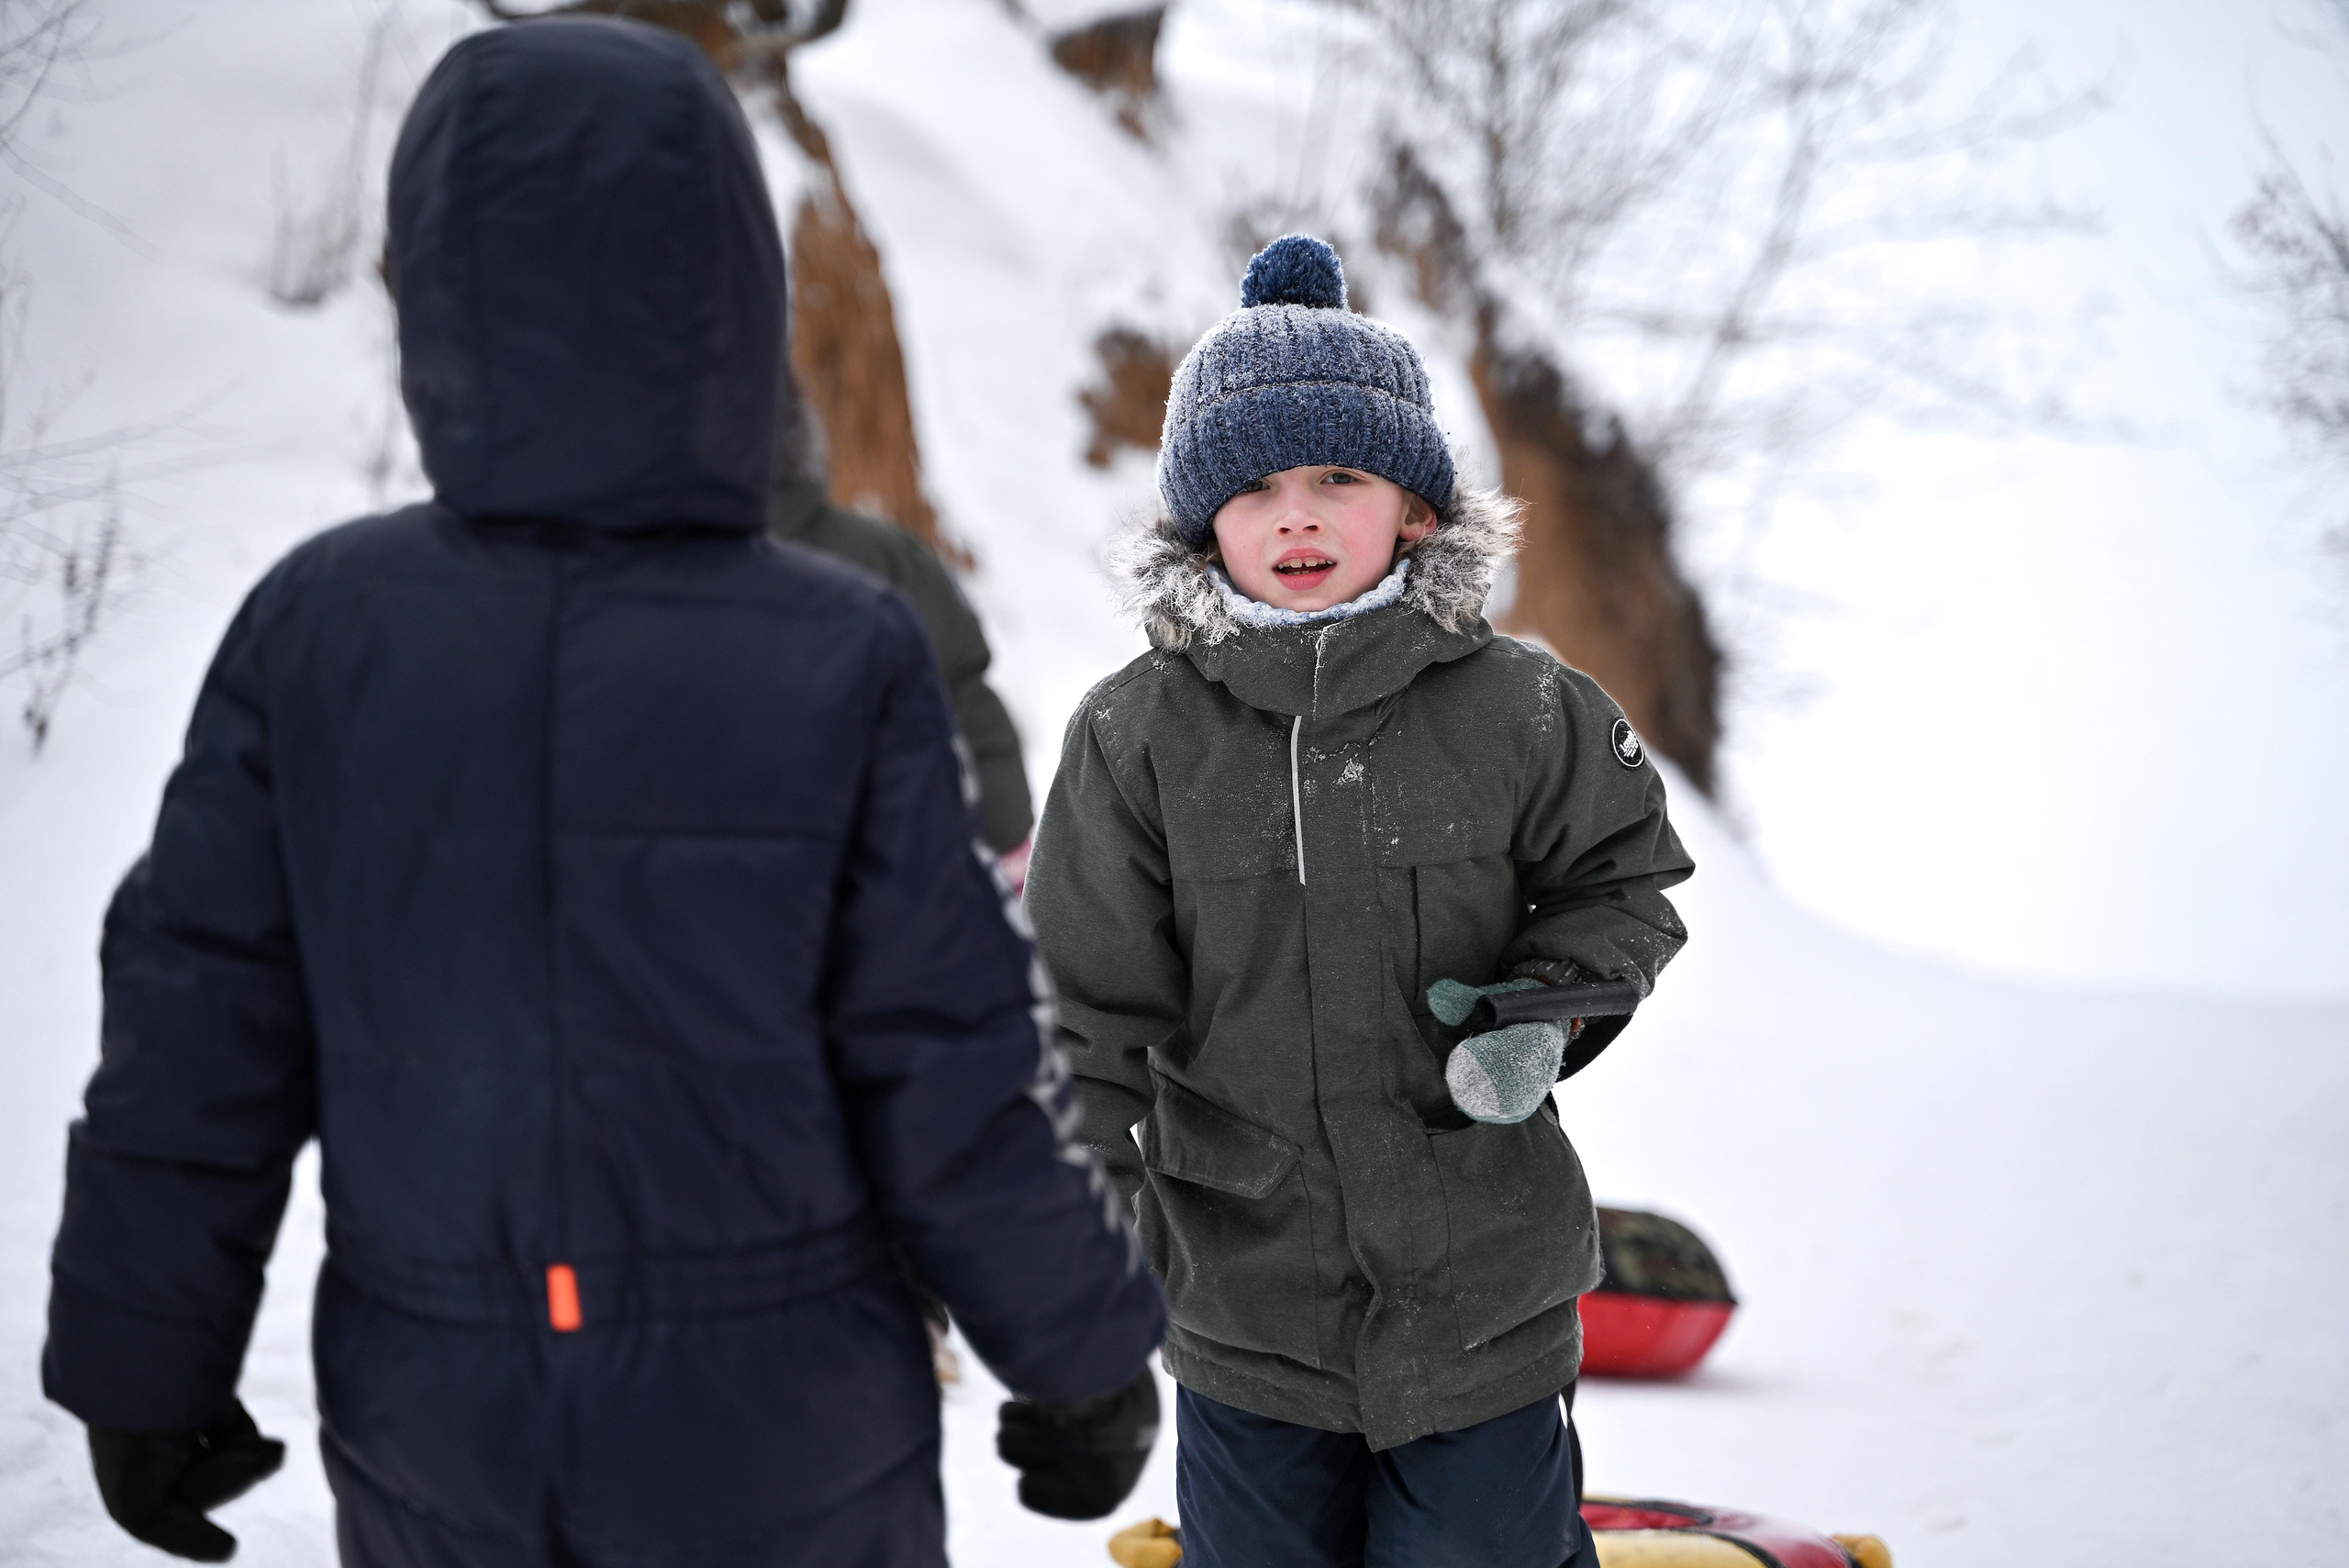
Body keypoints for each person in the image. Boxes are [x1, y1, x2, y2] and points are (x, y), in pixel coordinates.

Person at [41, 19, 1162, 1567]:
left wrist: (141, 1364)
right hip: (787, 1432)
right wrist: (1080, 1351)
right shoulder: (841, 648)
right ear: (732, 291)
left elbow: (193, 1042)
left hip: (444, 1422)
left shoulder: (317, 630)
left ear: (439, 292)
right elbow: (946, 1058)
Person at [1024, 236, 1695, 1568]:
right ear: (1200, 525)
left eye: (1339, 476)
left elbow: (1620, 877)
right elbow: (1082, 1023)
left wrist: (1538, 1013)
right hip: (1245, 1304)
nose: (1298, 517)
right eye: (1254, 487)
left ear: (1417, 509)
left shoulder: (1523, 707)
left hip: (1482, 1284)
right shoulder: (1136, 737)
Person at [766, 375, 1036, 883]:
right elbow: (962, 686)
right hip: (893, 876)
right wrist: (1008, 839)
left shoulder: (650, 585)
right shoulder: (886, 556)